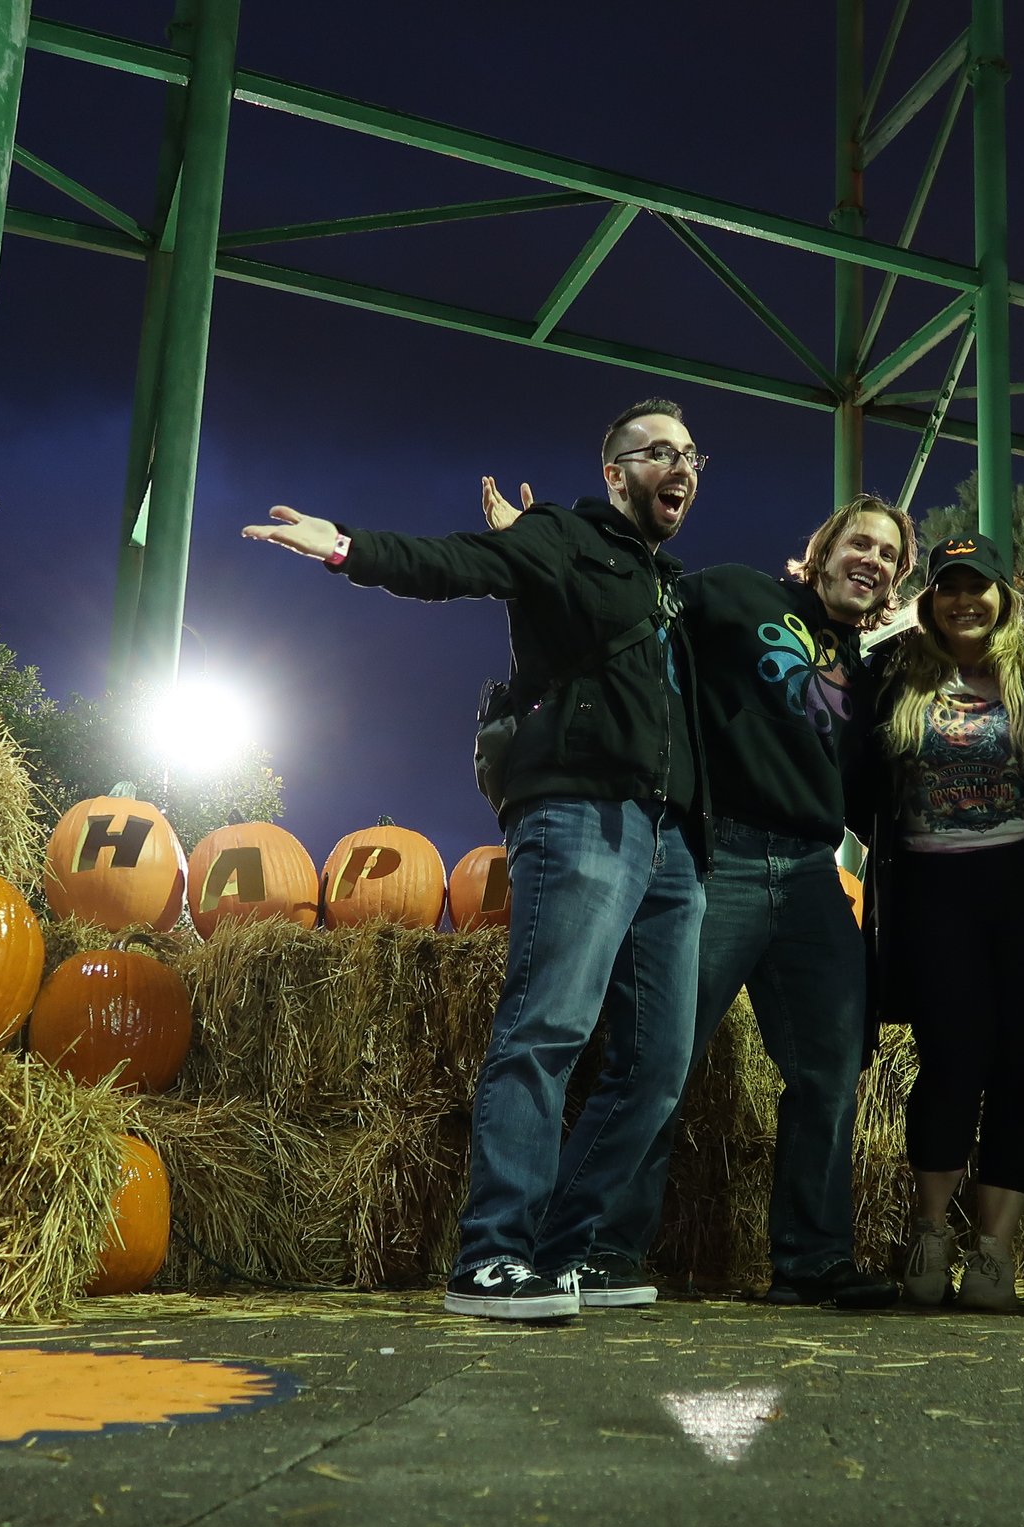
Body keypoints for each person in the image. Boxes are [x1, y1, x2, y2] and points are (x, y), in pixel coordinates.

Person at [240, 397, 707, 1323]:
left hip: (670, 836)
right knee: (546, 1032)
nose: (680, 465)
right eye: (658, 451)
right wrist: (347, 547)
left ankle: (565, 1250)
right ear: (615, 474)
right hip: (581, 812)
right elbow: (457, 563)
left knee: (658, 1060)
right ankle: (492, 1256)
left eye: (692, 454)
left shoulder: (670, 586)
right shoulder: (561, 537)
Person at [479, 481, 915, 1309]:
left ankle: (813, 1259)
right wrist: (539, 546)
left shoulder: (868, 672)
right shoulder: (737, 592)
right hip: (722, 854)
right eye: (860, 542)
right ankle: (598, 1249)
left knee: (830, 1068)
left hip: (814, 871)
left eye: (889, 554)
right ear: (820, 553)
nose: (873, 558)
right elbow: (628, 599)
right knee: (655, 1059)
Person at [862, 534, 1024, 1311]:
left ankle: (993, 1249)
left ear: (1005, 595)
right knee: (949, 1062)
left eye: (978, 586)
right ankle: (931, 1231)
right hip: (934, 890)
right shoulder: (896, 672)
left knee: (1020, 1068)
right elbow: (855, 762)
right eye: (949, 587)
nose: (963, 599)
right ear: (929, 599)